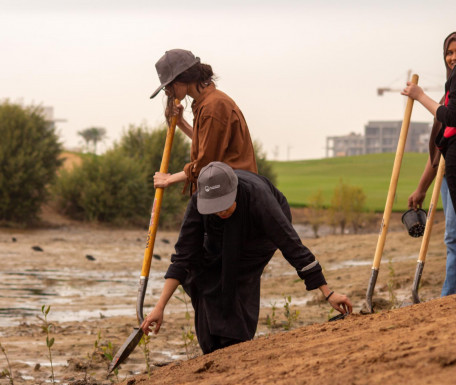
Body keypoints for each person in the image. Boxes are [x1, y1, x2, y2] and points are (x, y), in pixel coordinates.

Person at [140, 161, 353, 354]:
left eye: (225, 204)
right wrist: (159, 307)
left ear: (234, 191)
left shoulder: (259, 198)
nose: (221, 211)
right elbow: (183, 257)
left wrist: (327, 293)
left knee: (234, 273)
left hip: (258, 233)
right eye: (215, 208)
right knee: (199, 272)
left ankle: (236, 341)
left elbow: (291, 245)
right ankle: (212, 345)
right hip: (220, 233)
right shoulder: (199, 203)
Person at [149, 49, 258, 193]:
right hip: (223, 191)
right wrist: (181, 122)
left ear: (183, 78)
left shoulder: (213, 107)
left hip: (231, 196)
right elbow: (208, 144)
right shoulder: (207, 103)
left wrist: (168, 179)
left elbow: (206, 165)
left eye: (169, 85)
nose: (168, 92)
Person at [404, 32, 456, 296]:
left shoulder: (447, 103)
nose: (452, 57)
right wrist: (422, 188)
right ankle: (448, 296)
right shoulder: (448, 93)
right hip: (449, 175)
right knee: (452, 238)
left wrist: (420, 96)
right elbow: (439, 151)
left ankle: (447, 299)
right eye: (449, 52)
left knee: (454, 238)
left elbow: (452, 118)